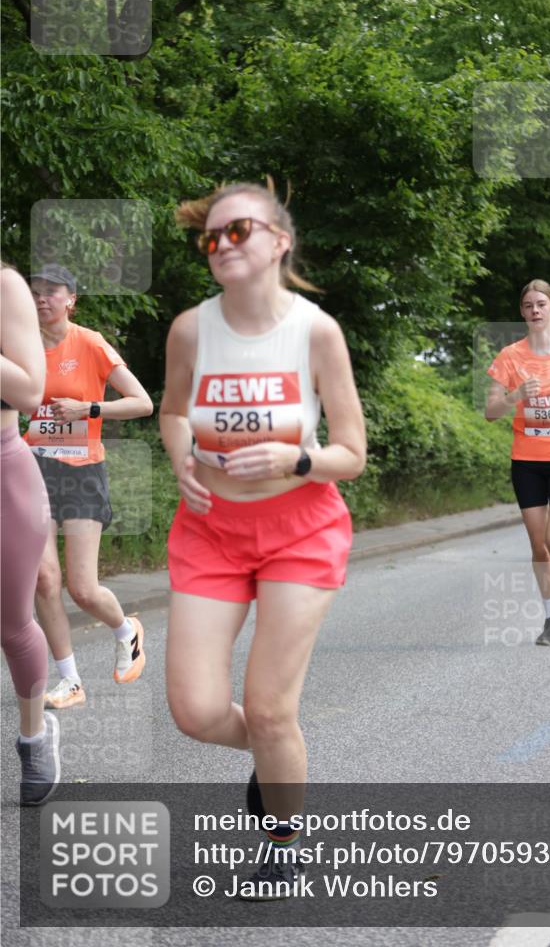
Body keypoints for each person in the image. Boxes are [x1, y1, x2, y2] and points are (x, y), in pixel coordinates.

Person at [160, 181, 366, 898]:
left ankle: (283, 842)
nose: (221, 245)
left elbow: (351, 453)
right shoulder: (190, 330)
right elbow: (173, 410)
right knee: (196, 712)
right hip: (209, 529)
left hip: (299, 530)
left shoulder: (315, 332)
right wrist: (182, 458)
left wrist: (295, 459)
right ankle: (278, 753)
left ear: (280, 241)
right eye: (210, 237)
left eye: (238, 230)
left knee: (273, 707)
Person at [26, 263, 153, 709]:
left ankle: (126, 630)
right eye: (35, 291)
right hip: (33, 469)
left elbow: (142, 402)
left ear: (71, 299)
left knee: (82, 588)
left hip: (81, 471)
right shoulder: (20, 346)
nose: (42, 298)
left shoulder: (90, 342)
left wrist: (89, 409)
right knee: (45, 579)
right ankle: (70, 681)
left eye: (52, 291)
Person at [485, 279, 550, 646]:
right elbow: (490, 412)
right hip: (527, 462)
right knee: (538, 546)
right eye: (529, 305)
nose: (535, 310)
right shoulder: (509, 357)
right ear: (522, 312)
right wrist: (515, 395)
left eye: (541, 304)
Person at [1, 264, 59, 805]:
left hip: (4, 475)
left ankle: (35, 737)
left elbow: (30, 391)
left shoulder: (5, 287)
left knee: (12, 624)